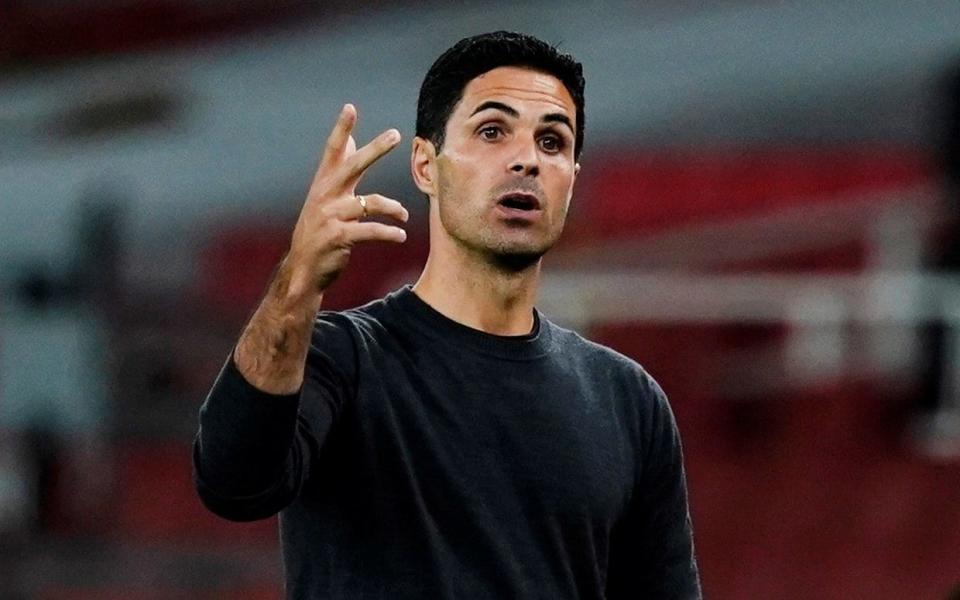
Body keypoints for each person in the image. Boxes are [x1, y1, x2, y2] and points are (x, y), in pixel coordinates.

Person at [193, 31, 701, 599]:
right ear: (425, 166)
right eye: (492, 131)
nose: (527, 160)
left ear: (572, 180)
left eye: (553, 142)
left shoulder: (627, 400)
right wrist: (298, 282)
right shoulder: (344, 359)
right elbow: (233, 483)